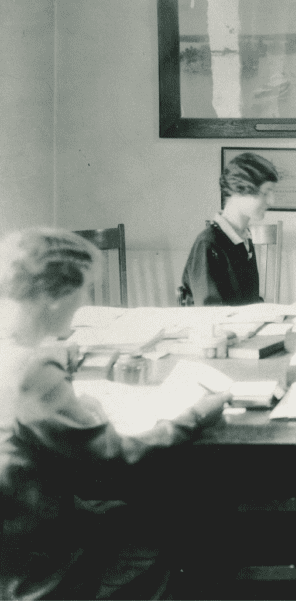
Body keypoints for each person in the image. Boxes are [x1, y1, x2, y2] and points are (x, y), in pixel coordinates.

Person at [0, 227, 231, 599]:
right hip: (34, 563)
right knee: (170, 522)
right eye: (84, 289)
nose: (85, 302)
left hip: (17, 530)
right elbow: (117, 458)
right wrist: (195, 417)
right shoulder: (31, 369)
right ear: (55, 296)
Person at [180, 152, 279, 306]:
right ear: (239, 190)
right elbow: (210, 312)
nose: (272, 201)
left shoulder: (243, 238)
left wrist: (286, 311)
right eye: (265, 192)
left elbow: (249, 303)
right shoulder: (208, 243)